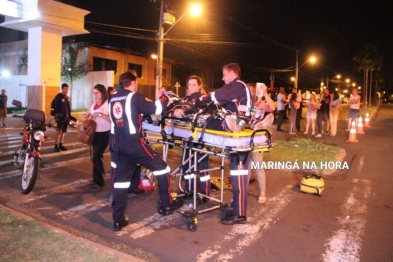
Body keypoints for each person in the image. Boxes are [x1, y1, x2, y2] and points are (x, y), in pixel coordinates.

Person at [108, 70, 181, 232]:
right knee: (163, 169)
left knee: (120, 183)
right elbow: (157, 108)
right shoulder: (135, 97)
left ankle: (118, 220)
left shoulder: (112, 98)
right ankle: (167, 204)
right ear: (133, 83)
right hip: (134, 144)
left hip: (119, 144)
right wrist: (165, 96)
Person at [201, 63, 252, 225]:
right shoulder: (240, 88)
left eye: (224, 74)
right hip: (239, 132)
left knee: (239, 178)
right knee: (236, 177)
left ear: (232, 73)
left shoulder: (236, 86)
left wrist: (203, 98)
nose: (223, 78)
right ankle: (237, 208)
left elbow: (217, 96)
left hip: (239, 136)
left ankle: (240, 214)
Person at [175, 75, 212, 200]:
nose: (191, 87)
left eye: (194, 84)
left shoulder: (204, 99)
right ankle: (189, 190)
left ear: (199, 86)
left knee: (202, 166)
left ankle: (205, 193)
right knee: (187, 165)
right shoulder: (184, 99)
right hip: (187, 137)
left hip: (200, 138)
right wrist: (176, 111)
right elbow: (177, 111)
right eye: (189, 85)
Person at [247, 83, 275, 204]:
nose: (249, 93)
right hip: (244, 137)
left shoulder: (261, 104)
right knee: (245, 167)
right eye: (247, 90)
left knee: (258, 166)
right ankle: (243, 191)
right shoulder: (244, 104)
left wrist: (265, 93)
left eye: (251, 90)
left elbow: (272, 108)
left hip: (257, 138)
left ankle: (263, 192)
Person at [82, 84, 111, 188]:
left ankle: (100, 177)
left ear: (102, 92)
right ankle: (97, 179)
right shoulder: (94, 103)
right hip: (94, 132)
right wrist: (85, 116)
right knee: (96, 156)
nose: (95, 95)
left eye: (96, 93)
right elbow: (88, 113)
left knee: (96, 155)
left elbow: (110, 119)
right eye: (94, 93)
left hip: (105, 133)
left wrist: (99, 114)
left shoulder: (108, 103)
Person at [53, 83, 71, 152]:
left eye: (67, 89)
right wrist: (58, 115)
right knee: (59, 131)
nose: (66, 90)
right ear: (62, 89)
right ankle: (56, 146)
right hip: (60, 117)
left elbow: (68, 108)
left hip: (66, 117)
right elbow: (56, 106)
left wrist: (69, 116)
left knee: (63, 131)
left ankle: (61, 144)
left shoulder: (67, 98)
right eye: (64, 89)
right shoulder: (58, 97)